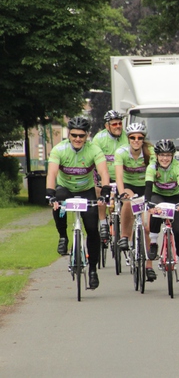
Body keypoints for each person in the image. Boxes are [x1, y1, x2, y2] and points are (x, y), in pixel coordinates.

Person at [45, 117, 110, 289]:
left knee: (92, 229)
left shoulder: (94, 149)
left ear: (87, 135)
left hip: (86, 190)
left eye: (82, 136)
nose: (78, 139)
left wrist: (105, 191)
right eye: (74, 135)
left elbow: (103, 171)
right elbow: (51, 174)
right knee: (58, 203)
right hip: (65, 188)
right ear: (69, 134)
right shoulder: (59, 149)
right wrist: (50, 194)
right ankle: (63, 236)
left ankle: (93, 270)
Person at [144, 139, 179, 284]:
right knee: (156, 208)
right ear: (157, 156)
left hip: (175, 197)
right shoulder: (152, 167)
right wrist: (148, 202)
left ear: (173, 156)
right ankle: (153, 242)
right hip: (158, 195)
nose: (165, 158)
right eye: (162, 155)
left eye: (168, 155)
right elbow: (148, 185)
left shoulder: (176, 166)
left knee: (178, 231)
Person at [114, 122, 156, 280]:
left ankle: (149, 265)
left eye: (139, 137)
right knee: (127, 201)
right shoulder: (121, 152)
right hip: (129, 185)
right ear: (128, 138)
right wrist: (121, 192)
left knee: (147, 227)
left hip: (146, 185)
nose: (136, 140)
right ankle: (125, 236)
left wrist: (150, 196)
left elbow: (152, 174)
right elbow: (118, 176)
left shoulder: (150, 152)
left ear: (143, 139)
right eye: (132, 137)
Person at [92, 110, 128, 242]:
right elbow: (94, 160)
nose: (118, 126)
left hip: (122, 176)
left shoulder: (127, 138)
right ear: (107, 126)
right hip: (104, 175)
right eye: (114, 124)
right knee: (99, 191)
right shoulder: (99, 139)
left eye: (120, 123)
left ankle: (124, 228)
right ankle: (103, 223)